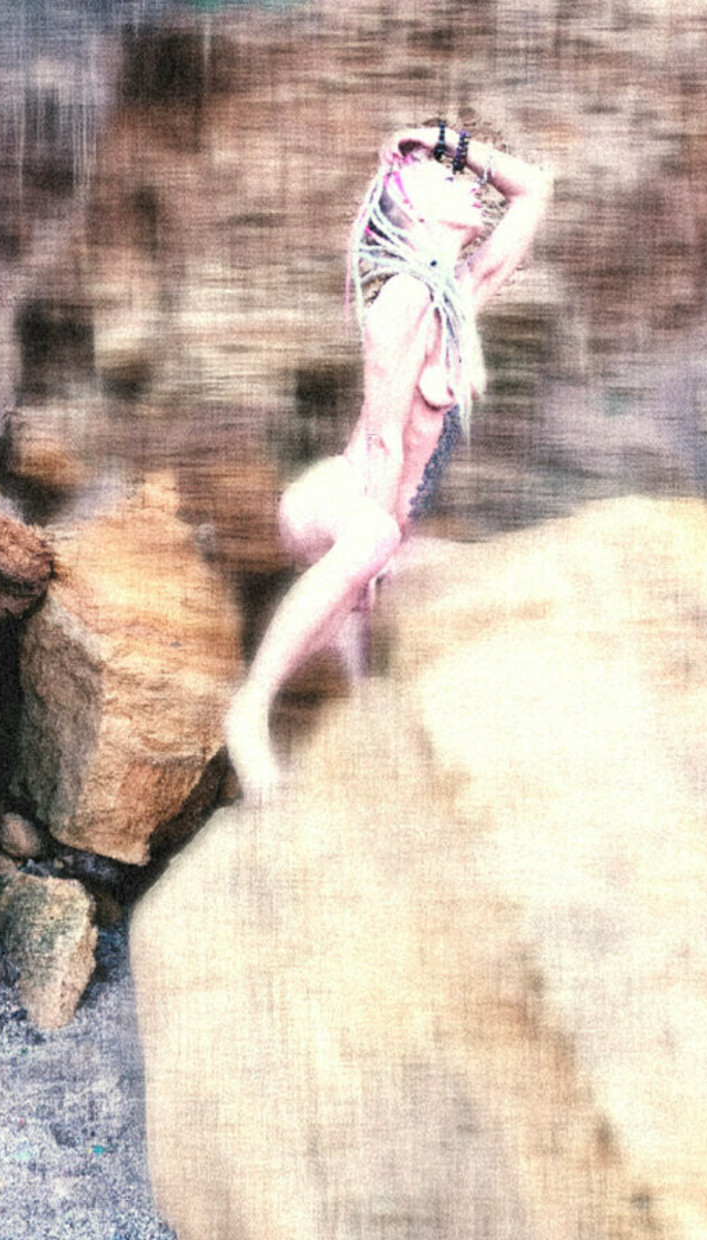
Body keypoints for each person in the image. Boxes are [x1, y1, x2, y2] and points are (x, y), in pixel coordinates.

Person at [226, 120, 551, 804]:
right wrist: (371, 568)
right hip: (337, 502)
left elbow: (534, 188)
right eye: (447, 178)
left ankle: (350, 715)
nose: (468, 184)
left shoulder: (459, 297)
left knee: (474, 580)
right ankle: (249, 712)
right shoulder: (401, 302)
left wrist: (443, 140)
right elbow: (382, 444)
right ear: (415, 209)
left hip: (381, 526)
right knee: (375, 544)